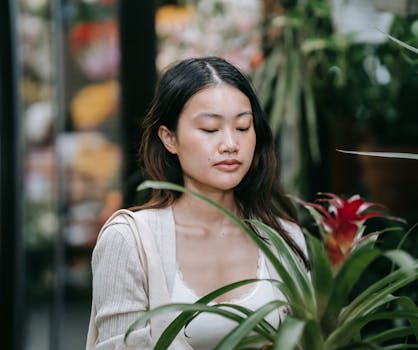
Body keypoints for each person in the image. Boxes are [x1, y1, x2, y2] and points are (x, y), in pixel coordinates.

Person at [86, 56, 309, 350]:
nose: (230, 144)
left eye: (243, 127)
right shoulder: (130, 241)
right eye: (210, 129)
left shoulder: (284, 238)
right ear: (169, 139)